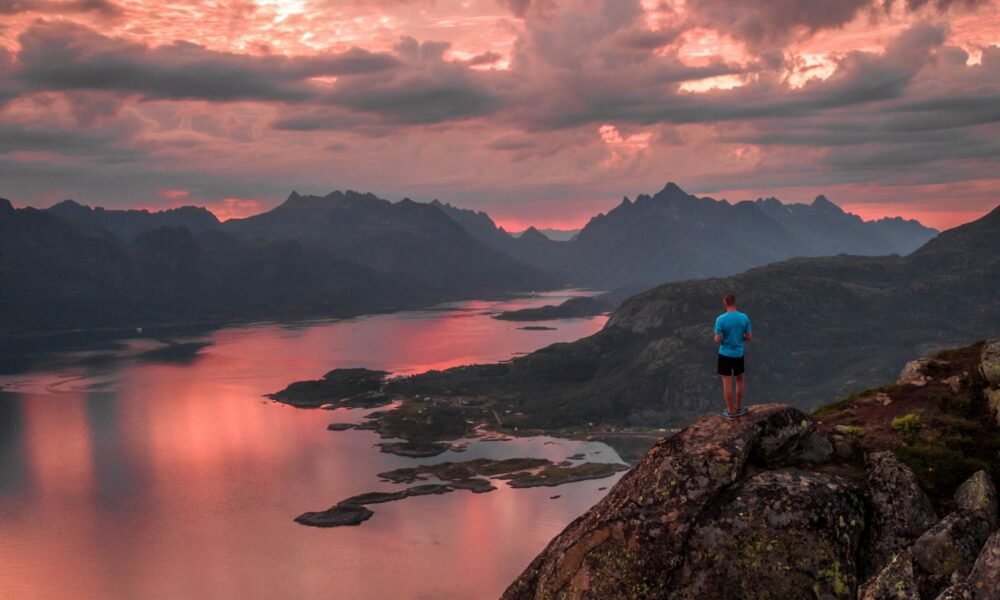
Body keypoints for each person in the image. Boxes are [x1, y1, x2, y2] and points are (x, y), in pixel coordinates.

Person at [714, 293, 752, 418]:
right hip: (738, 353)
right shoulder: (744, 317)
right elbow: (749, 337)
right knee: (740, 379)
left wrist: (722, 337)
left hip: (725, 353)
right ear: (735, 302)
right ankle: (739, 407)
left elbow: (717, 339)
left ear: (725, 302)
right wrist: (740, 337)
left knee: (727, 382)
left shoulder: (720, 319)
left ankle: (731, 411)